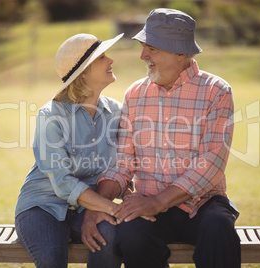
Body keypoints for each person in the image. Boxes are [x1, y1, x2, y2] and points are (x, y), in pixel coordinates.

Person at [82, 8, 241, 268]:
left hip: (202, 204)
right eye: (144, 47)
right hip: (147, 206)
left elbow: (211, 164)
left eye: (152, 49)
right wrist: (97, 204)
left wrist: (158, 202)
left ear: (180, 53)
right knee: (130, 234)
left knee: (219, 229)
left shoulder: (216, 91)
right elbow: (122, 164)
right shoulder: (135, 94)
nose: (143, 55)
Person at [15, 32, 125, 268]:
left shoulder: (117, 112)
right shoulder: (51, 115)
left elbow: (124, 166)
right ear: (83, 72)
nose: (111, 61)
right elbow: (62, 182)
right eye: (102, 57)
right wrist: (113, 208)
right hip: (42, 206)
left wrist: (129, 197)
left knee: (110, 236)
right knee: (52, 260)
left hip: (90, 206)